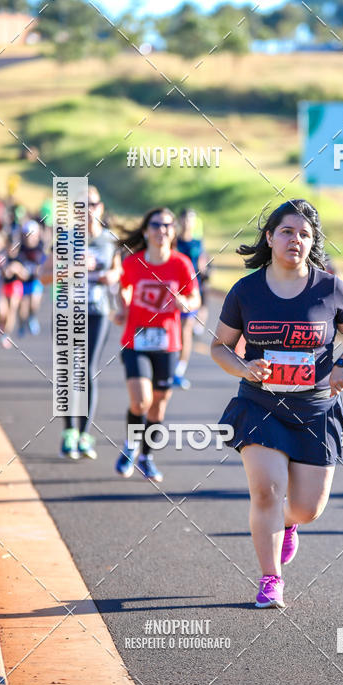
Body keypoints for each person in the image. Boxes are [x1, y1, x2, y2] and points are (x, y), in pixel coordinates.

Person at [211, 199, 343, 609]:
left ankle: (288, 524)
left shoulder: (331, 288)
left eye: (305, 234)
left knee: (308, 508)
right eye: (287, 232)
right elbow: (219, 347)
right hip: (261, 405)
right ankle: (271, 579)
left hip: (315, 409)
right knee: (266, 491)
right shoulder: (246, 290)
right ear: (269, 237)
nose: (296, 240)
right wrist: (245, 368)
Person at [115, 207, 200, 483]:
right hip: (136, 339)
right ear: (145, 230)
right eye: (155, 225)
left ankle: (146, 457)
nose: (161, 230)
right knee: (141, 401)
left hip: (168, 343)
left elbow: (195, 298)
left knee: (158, 408)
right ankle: (130, 446)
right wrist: (122, 305)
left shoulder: (181, 264)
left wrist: (186, 304)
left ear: (173, 231)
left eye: (167, 225)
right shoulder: (132, 262)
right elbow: (123, 288)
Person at [41, 186, 121, 460]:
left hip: (97, 311)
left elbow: (116, 272)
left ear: (100, 208)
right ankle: (68, 432)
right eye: (81, 205)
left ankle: (85, 434)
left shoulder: (110, 241)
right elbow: (43, 276)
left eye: (92, 204)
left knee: (86, 369)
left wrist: (109, 277)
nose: (87, 210)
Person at [173, 208, 211, 389]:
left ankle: (178, 372)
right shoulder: (174, 242)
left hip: (192, 291)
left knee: (185, 331)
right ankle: (166, 366)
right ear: (180, 221)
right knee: (170, 330)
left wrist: (206, 273)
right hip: (173, 291)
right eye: (186, 219)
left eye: (192, 219)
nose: (188, 222)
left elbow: (204, 265)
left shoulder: (198, 243)